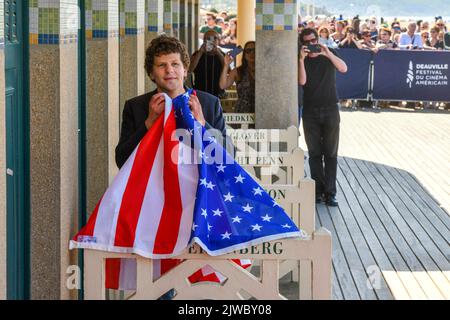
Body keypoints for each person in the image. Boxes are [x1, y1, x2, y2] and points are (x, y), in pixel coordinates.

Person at [115, 35, 231, 169]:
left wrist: (203, 125)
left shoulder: (209, 103)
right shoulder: (135, 107)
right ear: (151, 73)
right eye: (161, 65)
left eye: (175, 64)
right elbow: (121, 161)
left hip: (198, 187)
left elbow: (228, 154)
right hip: (154, 187)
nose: (169, 70)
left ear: (185, 70)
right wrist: (148, 124)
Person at [298, 28, 348, 207]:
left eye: (313, 41)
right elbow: (302, 81)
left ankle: (330, 192)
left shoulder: (329, 54)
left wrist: (327, 54)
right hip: (310, 110)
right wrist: (302, 60)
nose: (311, 45)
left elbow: (343, 68)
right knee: (314, 153)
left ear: (318, 40)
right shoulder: (300, 59)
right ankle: (318, 192)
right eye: (306, 42)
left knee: (331, 153)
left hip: (330, 108)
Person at [219, 41, 255, 113]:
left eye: (254, 50)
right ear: (244, 54)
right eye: (248, 51)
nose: (252, 53)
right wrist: (226, 65)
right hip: (243, 112)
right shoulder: (238, 71)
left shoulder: (264, 71)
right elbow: (223, 85)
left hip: (261, 109)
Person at [189, 30, 226, 98]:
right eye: (208, 38)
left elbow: (228, 70)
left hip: (218, 94)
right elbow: (190, 70)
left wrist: (219, 55)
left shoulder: (222, 54)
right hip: (200, 93)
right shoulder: (197, 54)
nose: (212, 41)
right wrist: (200, 52)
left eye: (215, 38)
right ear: (204, 41)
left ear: (219, 41)